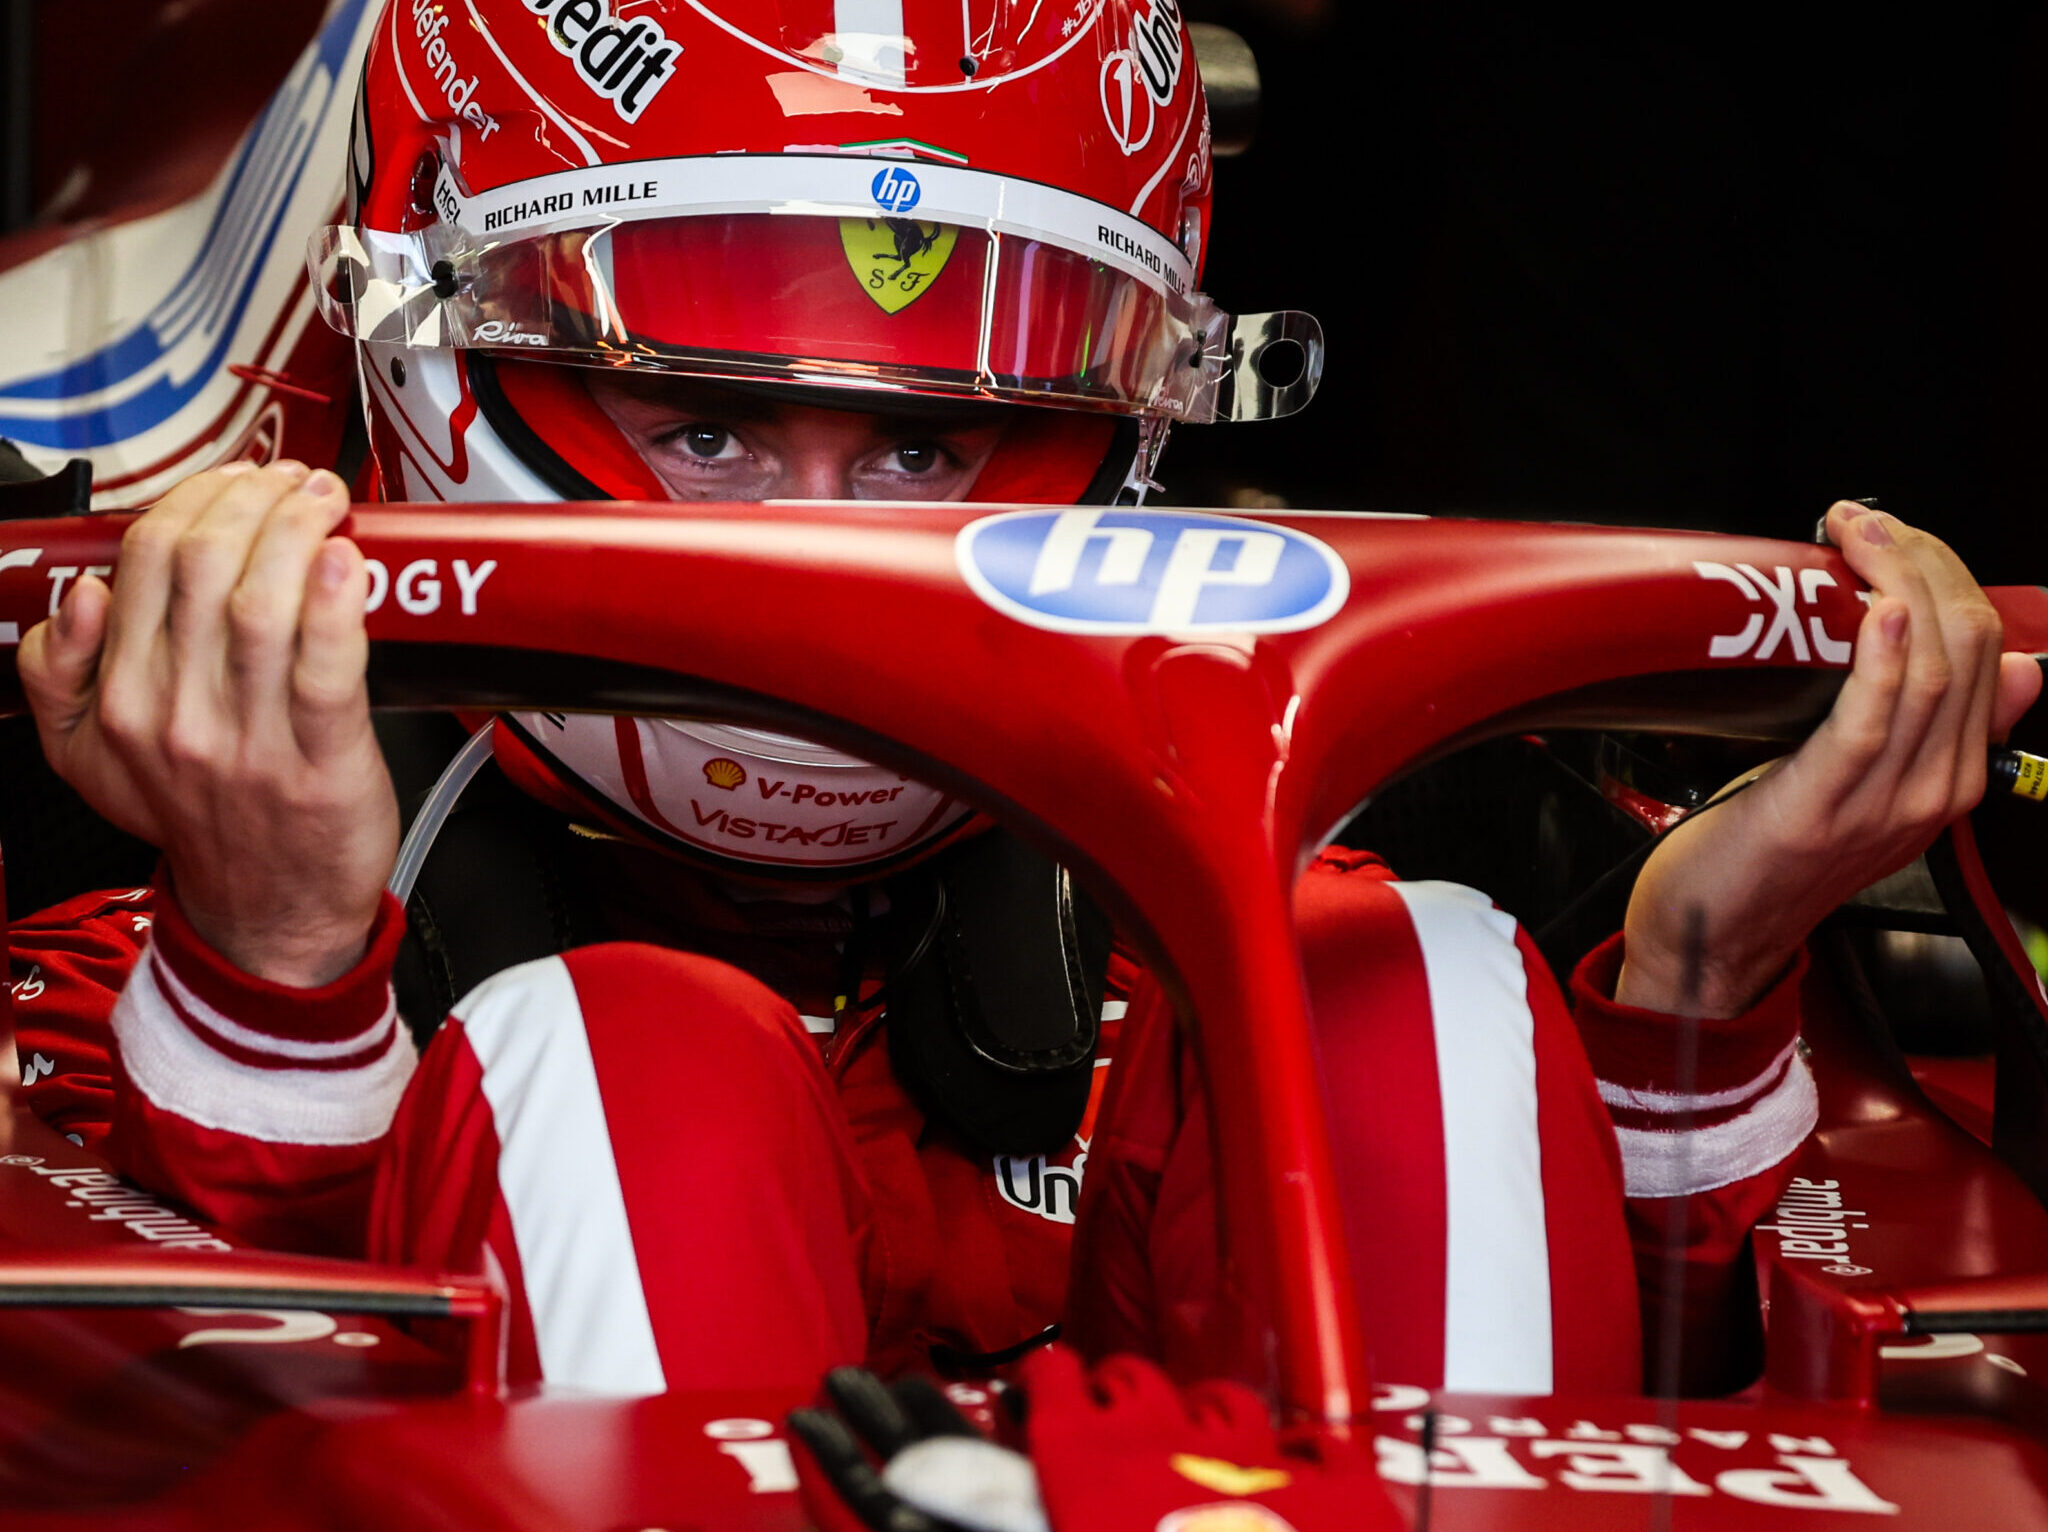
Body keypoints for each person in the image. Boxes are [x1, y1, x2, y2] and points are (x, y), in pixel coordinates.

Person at [6, 0, 2040, 1414]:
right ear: (427, 342)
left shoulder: (1373, 816)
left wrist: (1703, 959)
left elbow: (1685, 1392)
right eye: (705, 422)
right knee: (637, 1066)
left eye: (930, 438)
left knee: (1394, 988)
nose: (816, 543)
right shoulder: (145, 779)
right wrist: (273, 963)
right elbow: (186, 1427)